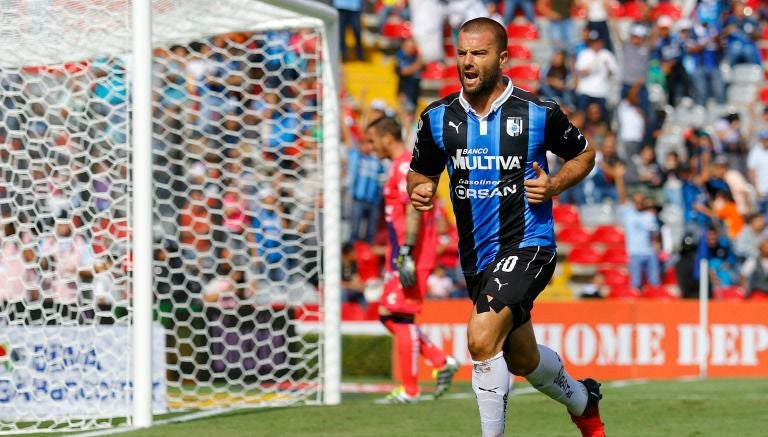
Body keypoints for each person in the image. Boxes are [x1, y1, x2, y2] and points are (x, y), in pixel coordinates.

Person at [406, 17, 603, 436]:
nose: (468, 62)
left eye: (478, 53)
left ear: (503, 57)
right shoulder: (437, 118)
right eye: (462, 53)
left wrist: (553, 184)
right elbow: (419, 172)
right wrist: (420, 189)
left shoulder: (537, 112)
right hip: (478, 259)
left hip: (529, 246)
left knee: (480, 338)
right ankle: (585, 402)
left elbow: (584, 155)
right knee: (522, 360)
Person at [366, 116, 459, 404]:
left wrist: (406, 252)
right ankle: (440, 360)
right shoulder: (399, 165)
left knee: (399, 315)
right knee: (387, 313)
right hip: (402, 252)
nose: (370, 147)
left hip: (412, 253)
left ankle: (409, 389)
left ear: (387, 138)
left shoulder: (406, 165)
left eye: (372, 140)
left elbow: (414, 211)